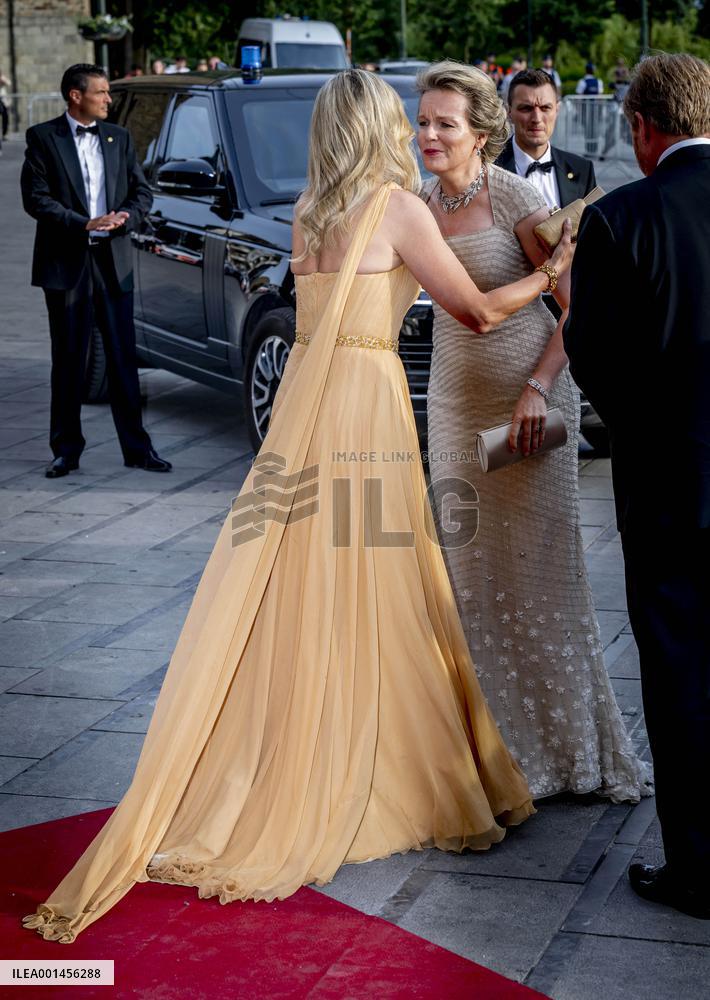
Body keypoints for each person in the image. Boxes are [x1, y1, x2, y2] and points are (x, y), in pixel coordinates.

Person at [21, 68, 574, 944]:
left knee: (306, 570)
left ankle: (304, 735)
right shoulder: (399, 207)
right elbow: (470, 313)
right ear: (379, 126)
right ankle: (376, 756)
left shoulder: (310, 205)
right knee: (384, 572)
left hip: (306, 404)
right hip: (364, 400)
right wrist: (551, 278)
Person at [416, 60, 651, 802]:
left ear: (480, 134)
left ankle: (570, 753)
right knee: (470, 579)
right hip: (453, 403)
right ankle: (498, 756)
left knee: (544, 578)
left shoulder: (515, 195)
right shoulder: (415, 204)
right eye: (422, 121)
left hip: (533, 400)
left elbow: (577, 306)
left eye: (444, 123)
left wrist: (539, 387)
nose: (429, 134)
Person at [564, 52, 710, 920]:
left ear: (642, 129)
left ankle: (696, 870)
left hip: (669, 489)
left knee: (681, 677)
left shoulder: (622, 217)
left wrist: (646, 430)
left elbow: (594, 359)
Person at [20, 63, 172, 477]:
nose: (108, 99)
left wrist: (126, 216)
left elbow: (142, 192)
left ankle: (137, 449)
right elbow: (35, 199)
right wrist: (81, 223)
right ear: (75, 96)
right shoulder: (42, 138)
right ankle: (66, 450)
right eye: (101, 93)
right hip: (67, 263)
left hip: (113, 261)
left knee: (124, 358)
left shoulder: (119, 138)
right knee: (68, 359)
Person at [497, 68, 597, 211]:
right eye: (526, 108)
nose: (537, 119)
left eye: (545, 108)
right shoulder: (486, 169)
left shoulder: (582, 170)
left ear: (557, 110)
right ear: (509, 112)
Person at [576, 62, 604, 156]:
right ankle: (593, 150)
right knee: (594, 130)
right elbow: (600, 97)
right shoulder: (598, 81)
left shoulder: (582, 82)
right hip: (595, 111)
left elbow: (579, 98)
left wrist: (579, 111)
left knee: (588, 131)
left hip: (586, 111)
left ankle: (589, 150)